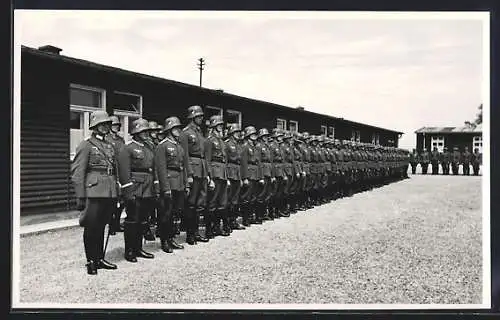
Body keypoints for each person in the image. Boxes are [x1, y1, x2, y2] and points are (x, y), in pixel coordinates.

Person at [71, 110, 118, 275]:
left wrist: (116, 191)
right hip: (93, 191)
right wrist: (80, 196)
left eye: (107, 124)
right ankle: (90, 261)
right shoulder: (86, 145)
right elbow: (78, 172)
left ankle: (99, 258)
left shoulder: (110, 145)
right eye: (101, 124)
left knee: (102, 226)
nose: (105, 127)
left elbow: (114, 170)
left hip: (109, 190)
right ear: (94, 126)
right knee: (91, 227)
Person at [118, 118, 157, 263]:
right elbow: (124, 171)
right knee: (132, 220)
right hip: (135, 187)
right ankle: (129, 250)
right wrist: (127, 192)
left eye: (147, 131)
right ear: (135, 132)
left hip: (147, 187)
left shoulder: (149, 147)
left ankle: (139, 248)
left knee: (143, 220)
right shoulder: (127, 148)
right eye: (142, 131)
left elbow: (153, 168)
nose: (146, 133)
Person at [154, 116, 188, 253]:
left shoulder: (179, 146)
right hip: (168, 182)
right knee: (165, 214)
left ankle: (171, 238)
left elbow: (183, 166)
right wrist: (165, 188)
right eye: (175, 128)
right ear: (169, 129)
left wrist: (185, 183)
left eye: (179, 128)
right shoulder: (162, 145)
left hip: (178, 182)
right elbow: (160, 168)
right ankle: (164, 240)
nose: (178, 130)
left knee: (175, 213)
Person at [179, 105, 209, 244]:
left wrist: (207, 173)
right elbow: (184, 155)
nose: (201, 119)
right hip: (193, 168)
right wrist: (189, 174)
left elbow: (204, 154)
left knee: (200, 203)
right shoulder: (185, 133)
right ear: (192, 117)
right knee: (191, 203)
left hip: (201, 169)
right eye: (199, 116)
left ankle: (196, 232)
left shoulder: (199, 133)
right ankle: (190, 234)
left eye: (201, 116)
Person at [204, 115, 230, 237]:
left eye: (221, 125)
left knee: (222, 202)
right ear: (213, 126)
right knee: (212, 202)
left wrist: (227, 176)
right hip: (214, 173)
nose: (221, 127)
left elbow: (224, 160)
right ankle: (209, 229)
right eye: (218, 125)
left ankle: (217, 227)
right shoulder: (209, 140)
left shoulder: (221, 141)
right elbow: (207, 159)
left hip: (222, 173)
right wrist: (209, 177)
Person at [105, 115, 125, 235]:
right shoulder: (106, 139)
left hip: (121, 170)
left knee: (121, 200)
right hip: (111, 170)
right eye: (114, 125)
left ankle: (117, 223)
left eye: (117, 125)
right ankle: (111, 225)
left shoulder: (121, 140)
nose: (116, 127)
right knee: (112, 200)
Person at [224, 123, 246, 231]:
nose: (238, 134)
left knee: (235, 200)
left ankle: (233, 221)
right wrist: (226, 178)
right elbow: (225, 161)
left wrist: (241, 178)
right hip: (230, 173)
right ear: (231, 133)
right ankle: (226, 223)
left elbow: (240, 163)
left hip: (237, 173)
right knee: (228, 200)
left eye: (239, 132)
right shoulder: (227, 144)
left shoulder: (238, 145)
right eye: (236, 132)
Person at [240, 126, 261, 226]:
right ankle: (245, 218)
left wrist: (260, 176)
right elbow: (243, 163)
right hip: (249, 173)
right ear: (248, 135)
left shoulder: (255, 147)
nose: (254, 136)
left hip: (255, 173)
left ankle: (251, 217)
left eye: (255, 134)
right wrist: (245, 177)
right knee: (246, 197)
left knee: (253, 197)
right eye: (252, 134)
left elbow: (258, 162)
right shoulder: (245, 146)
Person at [255, 128, 274, 222]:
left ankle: (263, 214)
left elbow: (271, 162)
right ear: (261, 137)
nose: (266, 137)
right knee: (261, 195)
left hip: (268, 171)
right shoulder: (258, 146)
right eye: (264, 136)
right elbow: (258, 162)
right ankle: (258, 216)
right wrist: (261, 176)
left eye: (267, 136)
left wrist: (272, 175)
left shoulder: (267, 147)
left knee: (267, 194)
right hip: (262, 170)